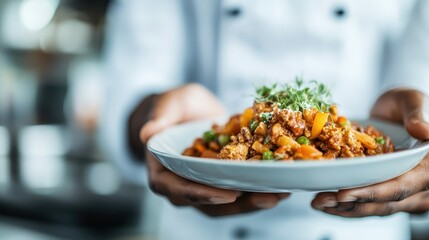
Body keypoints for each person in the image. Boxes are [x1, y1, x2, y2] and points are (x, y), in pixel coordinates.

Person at [101, 0, 429, 239]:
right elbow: (140, 60)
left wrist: (419, 124)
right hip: (205, 231)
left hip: (365, 230)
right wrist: (152, 118)